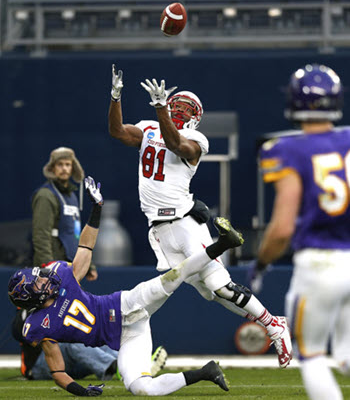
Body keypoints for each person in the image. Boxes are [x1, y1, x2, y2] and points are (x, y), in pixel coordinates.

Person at [108, 64, 292, 368]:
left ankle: (274, 325)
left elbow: (176, 144)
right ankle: (273, 323)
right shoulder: (151, 125)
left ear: (196, 117)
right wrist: (115, 97)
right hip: (159, 229)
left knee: (221, 286)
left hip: (185, 224)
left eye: (185, 108)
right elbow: (117, 132)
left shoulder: (198, 140)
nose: (178, 109)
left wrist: (161, 110)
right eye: (176, 104)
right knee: (214, 293)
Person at [8, 175, 245, 397]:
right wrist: (81, 391)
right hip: (127, 336)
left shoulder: (63, 276)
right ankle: (206, 372)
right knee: (142, 388)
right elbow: (57, 371)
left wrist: (97, 208)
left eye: (39, 277)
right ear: (31, 297)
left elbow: (85, 247)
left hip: (126, 304)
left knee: (175, 276)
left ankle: (223, 244)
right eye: (37, 282)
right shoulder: (37, 325)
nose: (44, 279)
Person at [248, 64, 349, 400]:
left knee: (314, 357)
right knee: (347, 355)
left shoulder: (286, 150)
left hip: (319, 266)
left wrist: (261, 262)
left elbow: (282, 229)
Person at [12, 308, 168, 380]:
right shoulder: (25, 315)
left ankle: (136, 367)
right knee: (70, 344)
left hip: (69, 366)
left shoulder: (54, 304)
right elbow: (21, 334)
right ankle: (121, 368)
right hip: (39, 368)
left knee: (93, 338)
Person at [32, 146, 97, 280]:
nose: (64, 168)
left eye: (68, 164)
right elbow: (41, 235)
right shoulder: (46, 195)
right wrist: (46, 268)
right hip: (53, 267)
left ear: (73, 168)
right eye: (60, 164)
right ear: (52, 168)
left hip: (71, 267)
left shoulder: (72, 196)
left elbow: (77, 234)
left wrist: (88, 265)